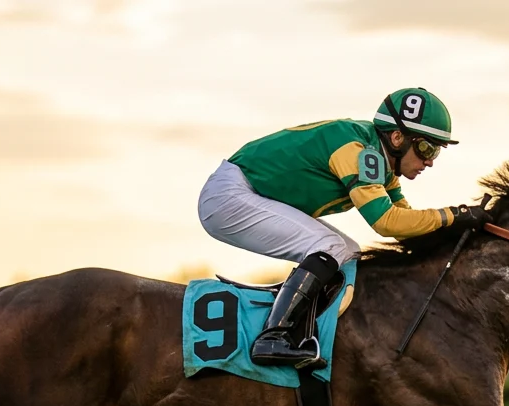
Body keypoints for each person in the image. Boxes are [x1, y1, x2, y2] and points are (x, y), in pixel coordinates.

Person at [198, 88, 491, 368]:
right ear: (398, 137)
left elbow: (405, 225)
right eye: (426, 147)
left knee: (349, 252)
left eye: (436, 152)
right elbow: (386, 222)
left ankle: (304, 329)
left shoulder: (380, 164)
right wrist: (455, 215)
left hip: (244, 192)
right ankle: (273, 337)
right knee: (331, 246)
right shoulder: (359, 151)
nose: (429, 160)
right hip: (230, 196)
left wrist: (456, 226)